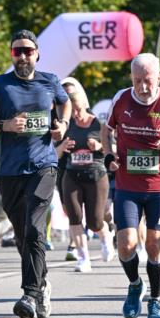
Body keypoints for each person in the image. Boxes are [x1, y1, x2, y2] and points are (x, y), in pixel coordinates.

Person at [0, 29, 70, 318]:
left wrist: (63, 124)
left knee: (33, 227)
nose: (24, 55)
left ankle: (29, 294)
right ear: (12, 54)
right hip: (11, 170)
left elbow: (65, 102)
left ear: (37, 53)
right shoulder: (0, 85)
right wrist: (5, 126)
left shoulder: (50, 81)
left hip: (43, 165)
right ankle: (41, 284)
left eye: (28, 50)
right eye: (18, 51)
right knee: (22, 235)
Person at [102, 53, 160, 318]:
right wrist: (108, 156)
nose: (142, 87)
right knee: (126, 244)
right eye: (137, 80)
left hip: (158, 186)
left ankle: (155, 301)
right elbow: (106, 129)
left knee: (154, 245)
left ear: (159, 78)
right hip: (128, 185)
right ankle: (134, 284)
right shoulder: (122, 98)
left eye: (148, 81)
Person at [56, 79, 114, 272]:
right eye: (71, 111)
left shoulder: (99, 124)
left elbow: (111, 150)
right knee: (74, 216)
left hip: (96, 175)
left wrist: (98, 146)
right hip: (72, 174)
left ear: (84, 107)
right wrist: (62, 147)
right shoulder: (66, 125)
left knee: (95, 222)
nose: (74, 115)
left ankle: (106, 237)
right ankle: (83, 258)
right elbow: (53, 154)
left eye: (77, 110)